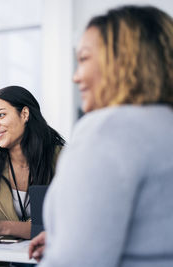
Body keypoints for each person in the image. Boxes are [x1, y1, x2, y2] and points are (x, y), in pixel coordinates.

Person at [29, 5, 173, 267]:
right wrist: (68, 236)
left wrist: (66, 247)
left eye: (83, 59)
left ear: (123, 62)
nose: (76, 77)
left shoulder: (108, 130)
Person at [0, 86, 65, 245]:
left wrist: (2, 227)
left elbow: (63, 224)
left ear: (24, 114)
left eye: (0, 115)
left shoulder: (61, 158)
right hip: (0, 260)